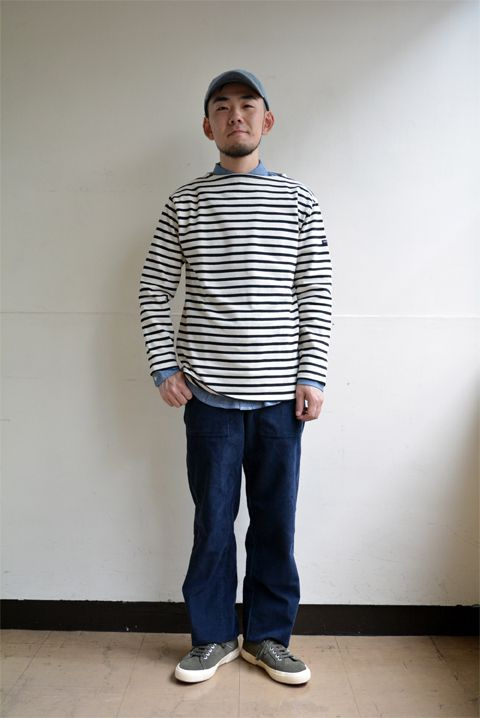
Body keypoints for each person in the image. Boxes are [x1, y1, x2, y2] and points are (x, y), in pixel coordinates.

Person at [139, 69, 332, 685]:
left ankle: (269, 638)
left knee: (275, 524)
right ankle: (214, 637)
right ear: (208, 127)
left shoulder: (299, 201)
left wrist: (313, 376)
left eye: (248, 105)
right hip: (209, 399)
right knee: (213, 524)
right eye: (222, 108)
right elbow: (153, 289)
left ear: (266, 121)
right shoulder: (184, 202)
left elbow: (314, 293)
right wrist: (164, 366)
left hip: (280, 401)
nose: (236, 116)